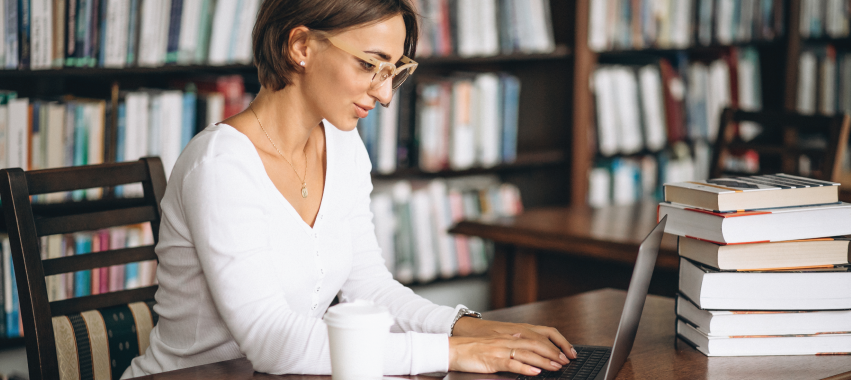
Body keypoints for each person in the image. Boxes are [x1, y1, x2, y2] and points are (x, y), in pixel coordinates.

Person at [122, 0, 576, 378]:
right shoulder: (220, 165)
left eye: (394, 70)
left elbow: (368, 288)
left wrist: (467, 328)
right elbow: (272, 341)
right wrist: (451, 354)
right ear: (300, 46)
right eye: (369, 65)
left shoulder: (343, 145)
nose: (385, 95)